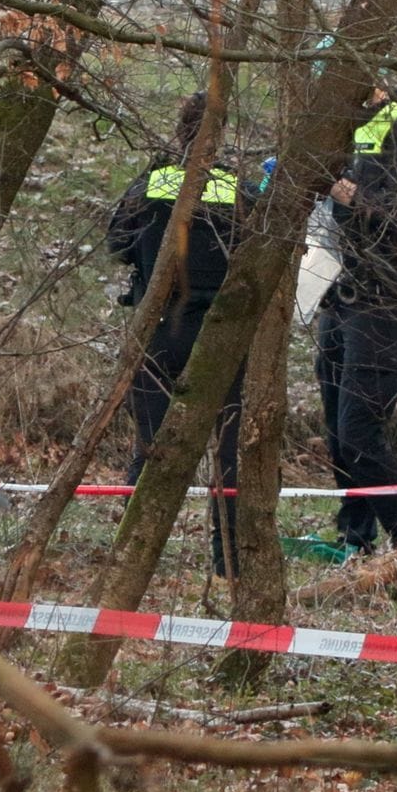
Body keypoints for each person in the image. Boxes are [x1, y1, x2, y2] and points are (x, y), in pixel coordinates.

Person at [108, 92, 252, 578]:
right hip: (220, 339)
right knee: (229, 455)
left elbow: (117, 244)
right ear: (223, 134)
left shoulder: (151, 183)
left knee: (150, 449)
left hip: (159, 332)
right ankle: (227, 560)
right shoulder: (238, 190)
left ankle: (130, 556)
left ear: (179, 131)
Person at [315, 85, 397, 554]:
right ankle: (355, 536)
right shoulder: (343, 121)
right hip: (337, 293)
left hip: (382, 299)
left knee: (359, 432)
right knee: (337, 433)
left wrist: (339, 187)